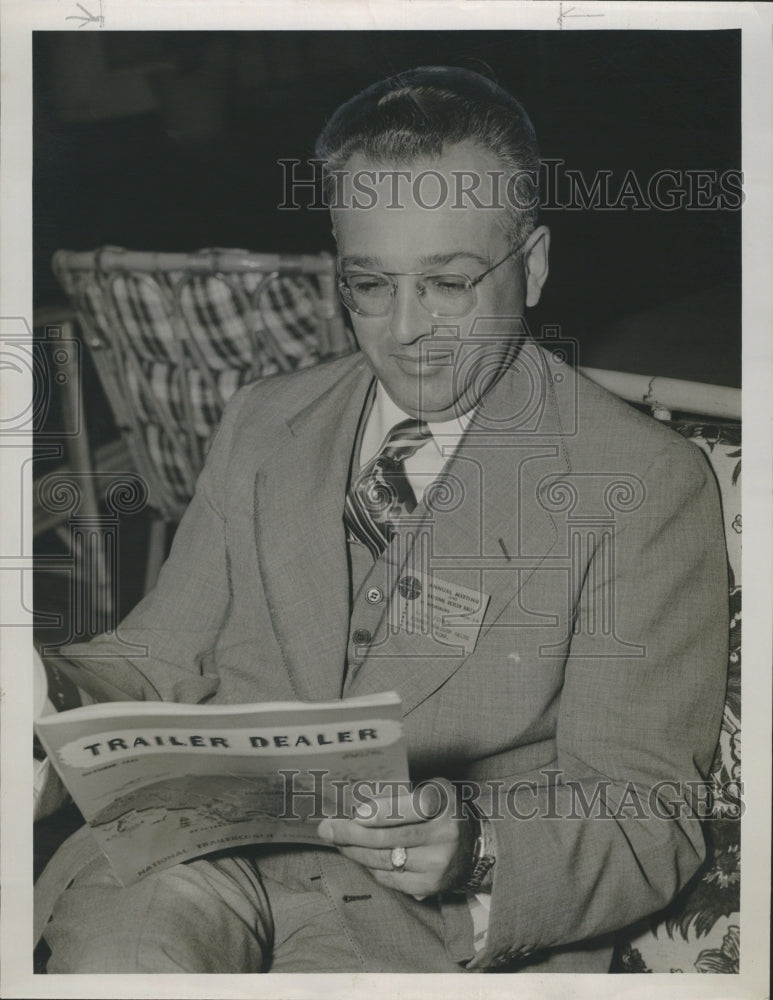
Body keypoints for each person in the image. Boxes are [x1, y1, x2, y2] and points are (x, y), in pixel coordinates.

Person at [35, 65, 728, 974]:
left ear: (535, 264)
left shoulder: (639, 481)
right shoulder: (263, 418)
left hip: (421, 927)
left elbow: (644, 816)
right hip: (192, 858)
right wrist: (46, 690)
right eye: (369, 284)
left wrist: (474, 845)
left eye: (447, 284)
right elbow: (158, 654)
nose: (406, 330)